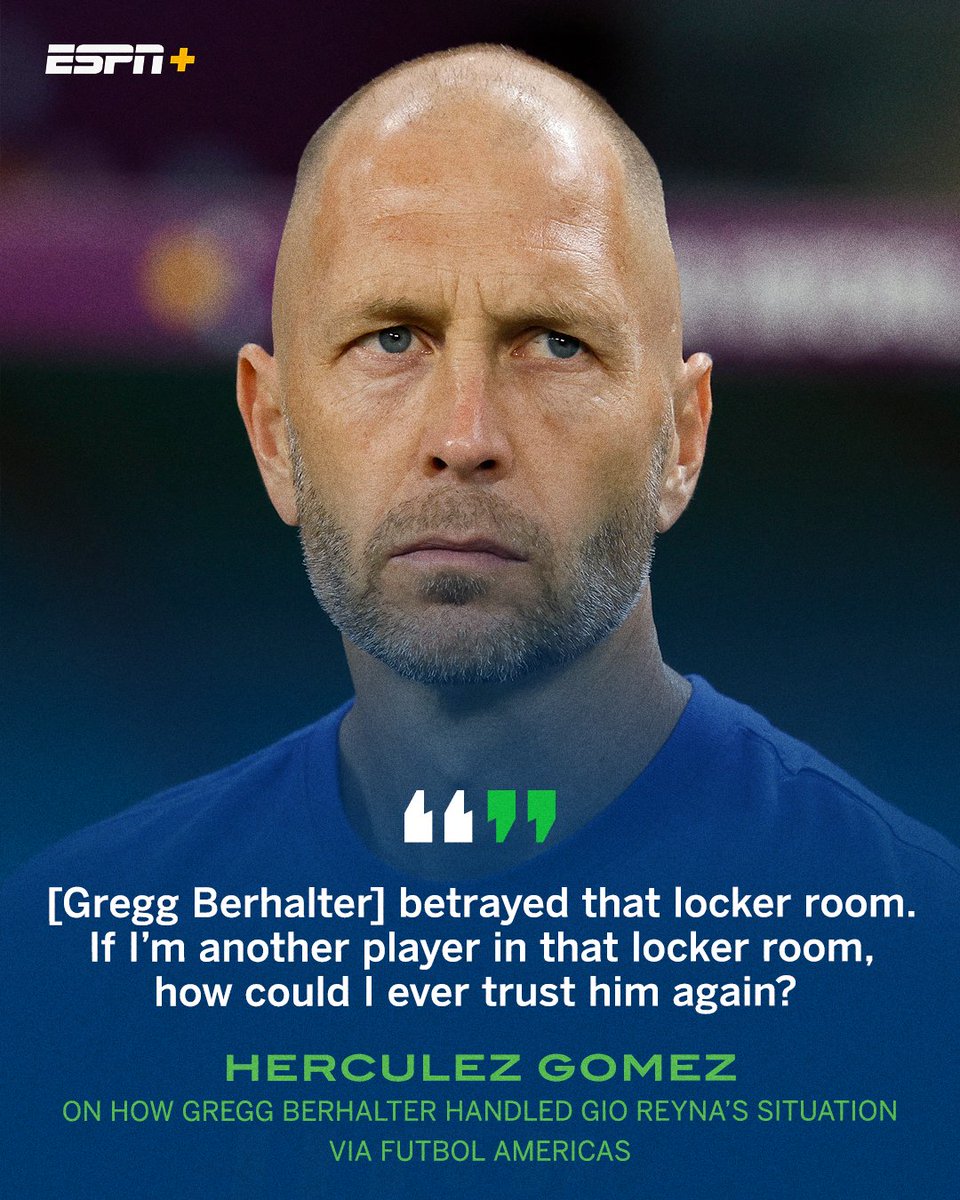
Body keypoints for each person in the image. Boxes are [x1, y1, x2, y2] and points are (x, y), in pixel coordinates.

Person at [3, 44, 958, 1200]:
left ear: (683, 439)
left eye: (555, 342)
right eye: (390, 338)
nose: (466, 434)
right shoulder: (68, 977)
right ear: (273, 432)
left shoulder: (917, 975)